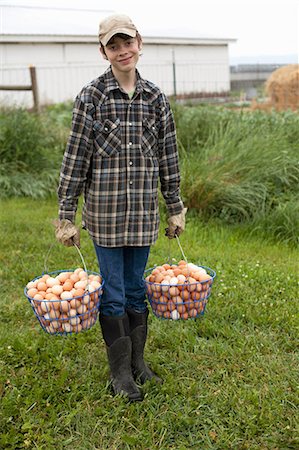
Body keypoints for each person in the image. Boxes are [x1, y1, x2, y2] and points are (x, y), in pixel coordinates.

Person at [54, 13, 186, 402]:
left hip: (144, 216)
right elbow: (75, 157)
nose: (122, 51)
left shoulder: (155, 99)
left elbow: (168, 156)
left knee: (135, 291)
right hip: (107, 218)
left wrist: (174, 205)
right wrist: (66, 213)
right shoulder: (92, 97)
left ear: (139, 43)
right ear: (103, 52)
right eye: (113, 45)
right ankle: (119, 376)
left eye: (127, 42)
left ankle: (138, 365)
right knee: (111, 294)